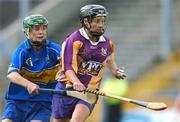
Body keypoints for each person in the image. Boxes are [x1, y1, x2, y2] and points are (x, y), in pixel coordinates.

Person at [52, 4, 126, 122]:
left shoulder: (107, 43)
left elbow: (108, 60)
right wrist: (76, 82)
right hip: (66, 88)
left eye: (103, 21)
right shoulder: (73, 40)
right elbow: (68, 67)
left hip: (90, 91)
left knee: (76, 120)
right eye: (97, 21)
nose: (101, 25)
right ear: (86, 21)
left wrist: (116, 71)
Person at [2, 14, 61, 122]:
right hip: (18, 101)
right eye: (36, 29)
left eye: (44, 28)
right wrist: (29, 84)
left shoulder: (55, 50)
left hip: (43, 103)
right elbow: (11, 74)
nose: (41, 32)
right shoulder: (21, 51)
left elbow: (70, 65)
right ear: (27, 32)